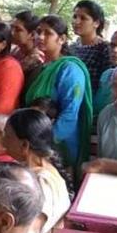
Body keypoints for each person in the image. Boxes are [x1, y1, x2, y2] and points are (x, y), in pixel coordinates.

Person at [24, 15, 93, 170]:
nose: (40, 37)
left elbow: (69, 115)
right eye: (38, 31)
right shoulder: (41, 67)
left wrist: (40, 145)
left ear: (61, 39)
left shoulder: (70, 70)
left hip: (58, 146)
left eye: (48, 33)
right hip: (34, 143)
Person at [69, 0, 111, 95]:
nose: (76, 21)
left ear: (96, 23)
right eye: (75, 17)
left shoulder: (105, 49)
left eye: (83, 18)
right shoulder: (72, 47)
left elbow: (106, 85)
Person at [10, 10, 45, 93]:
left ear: (32, 34)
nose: (12, 33)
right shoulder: (15, 51)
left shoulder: (38, 59)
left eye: (18, 30)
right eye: (12, 27)